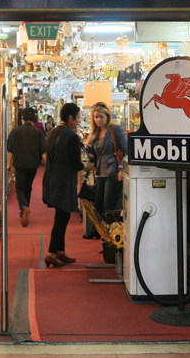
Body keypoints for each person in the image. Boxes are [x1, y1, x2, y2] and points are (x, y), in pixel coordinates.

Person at [42, 103, 94, 267]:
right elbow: (76, 164)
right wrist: (89, 166)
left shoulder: (52, 132)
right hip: (64, 182)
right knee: (61, 219)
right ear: (70, 118)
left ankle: (60, 252)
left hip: (52, 179)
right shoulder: (71, 136)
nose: (79, 121)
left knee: (61, 216)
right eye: (78, 117)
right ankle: (51, 253)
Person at [83, 102, 127, 240]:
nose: (98, 120)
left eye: (101, 117)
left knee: (109, 206)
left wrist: (121, 170)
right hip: (100, 172)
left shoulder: (115, 129)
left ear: (107, 116)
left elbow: (126, 151)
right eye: (96, 117)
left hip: (113, 171)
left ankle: (110, 235)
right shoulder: (95, 133)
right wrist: (88, 144)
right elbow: (92, 157)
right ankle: (97, 230)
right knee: (97, 205)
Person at [7, 107, 47, 227]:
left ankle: (24, 207)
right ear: (33, 118)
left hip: (20, 164)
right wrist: (48, 165)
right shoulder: (38, 132)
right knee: (28, 187)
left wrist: (9, 164)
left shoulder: (16, 131)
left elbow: (11, 150)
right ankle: (25, 209)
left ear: (22, 118)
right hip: (33, 165)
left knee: (19, 188)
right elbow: (44, 150)